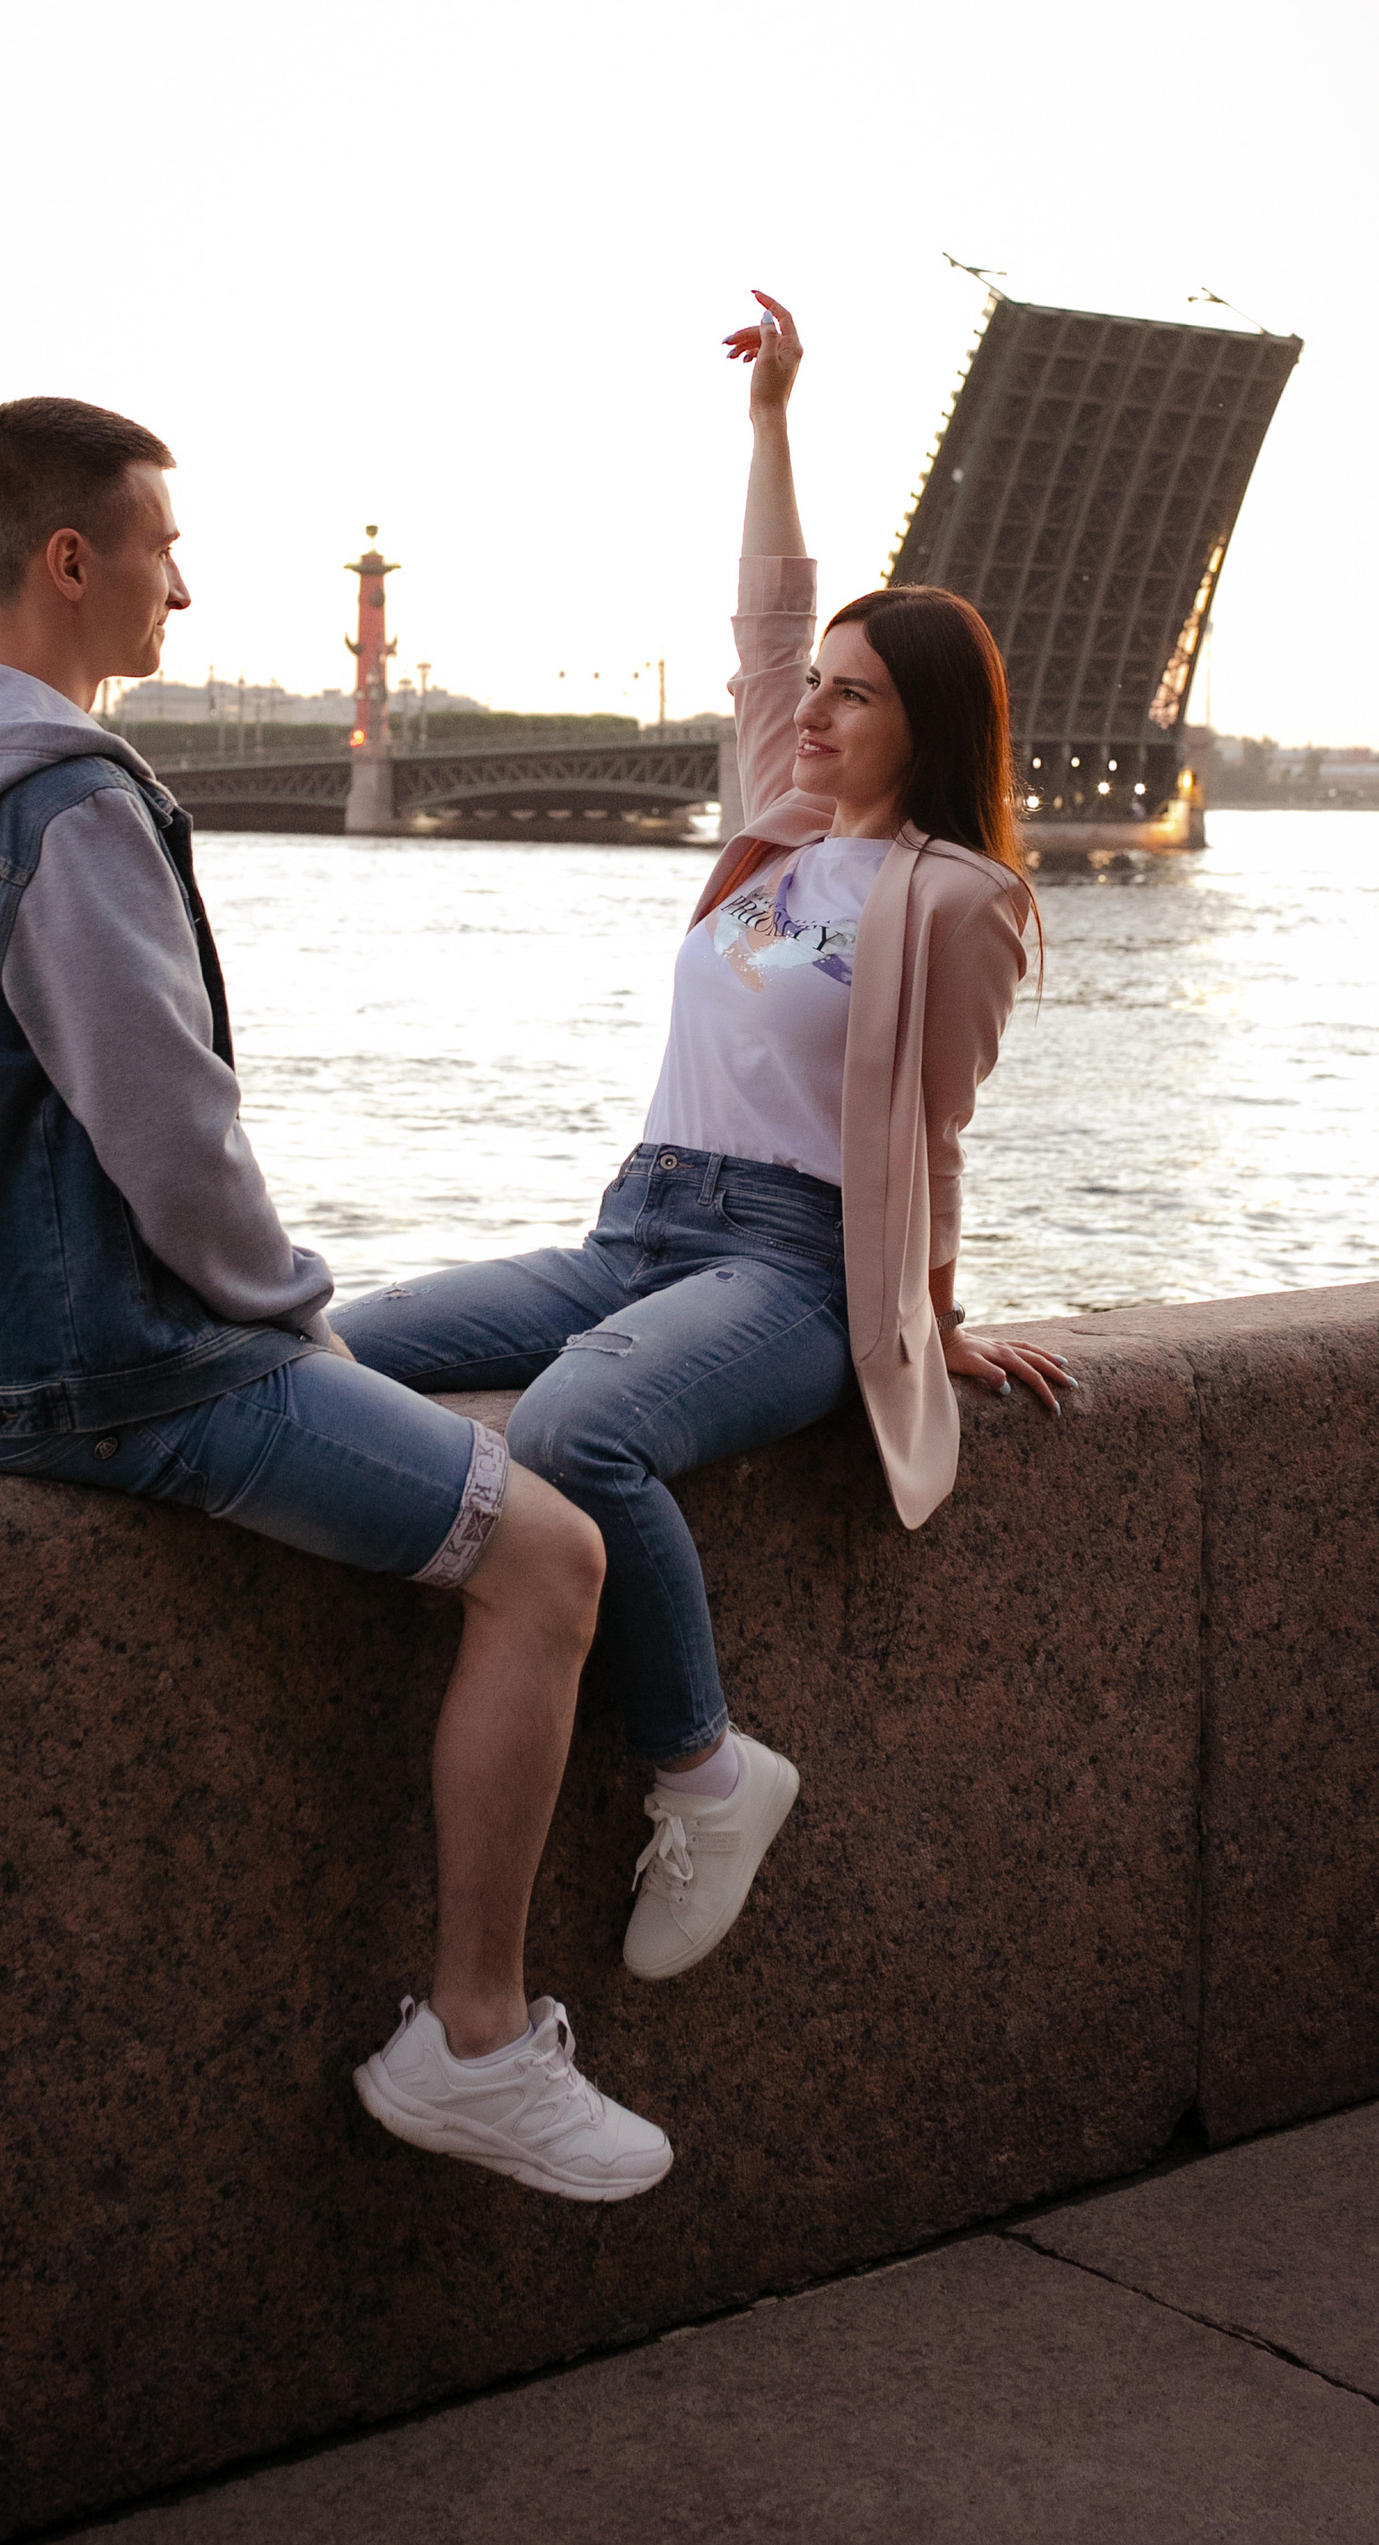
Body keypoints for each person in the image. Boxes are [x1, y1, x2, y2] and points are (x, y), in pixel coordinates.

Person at [0, 393, 672, 2203]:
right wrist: (293, 1319)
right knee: (554, 1558)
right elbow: (172, 1138)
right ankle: (478, 2040)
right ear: (69, 560)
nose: (181, 593)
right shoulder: (62, 805)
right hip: (113, 1374)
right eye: (160, 550)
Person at [338, 293, 1070, 1978]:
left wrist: (932, 1324)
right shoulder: (778, 827)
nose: (810, 715)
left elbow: (933, 1132)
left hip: (795, 1267)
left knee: (582, 1431)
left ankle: (706, 1767)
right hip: (639, 1226)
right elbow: (764, 621)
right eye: (811, 695)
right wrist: (771, 425)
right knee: (344, 1351)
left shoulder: (964, 902)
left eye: (853, 700)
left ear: (930, 727)